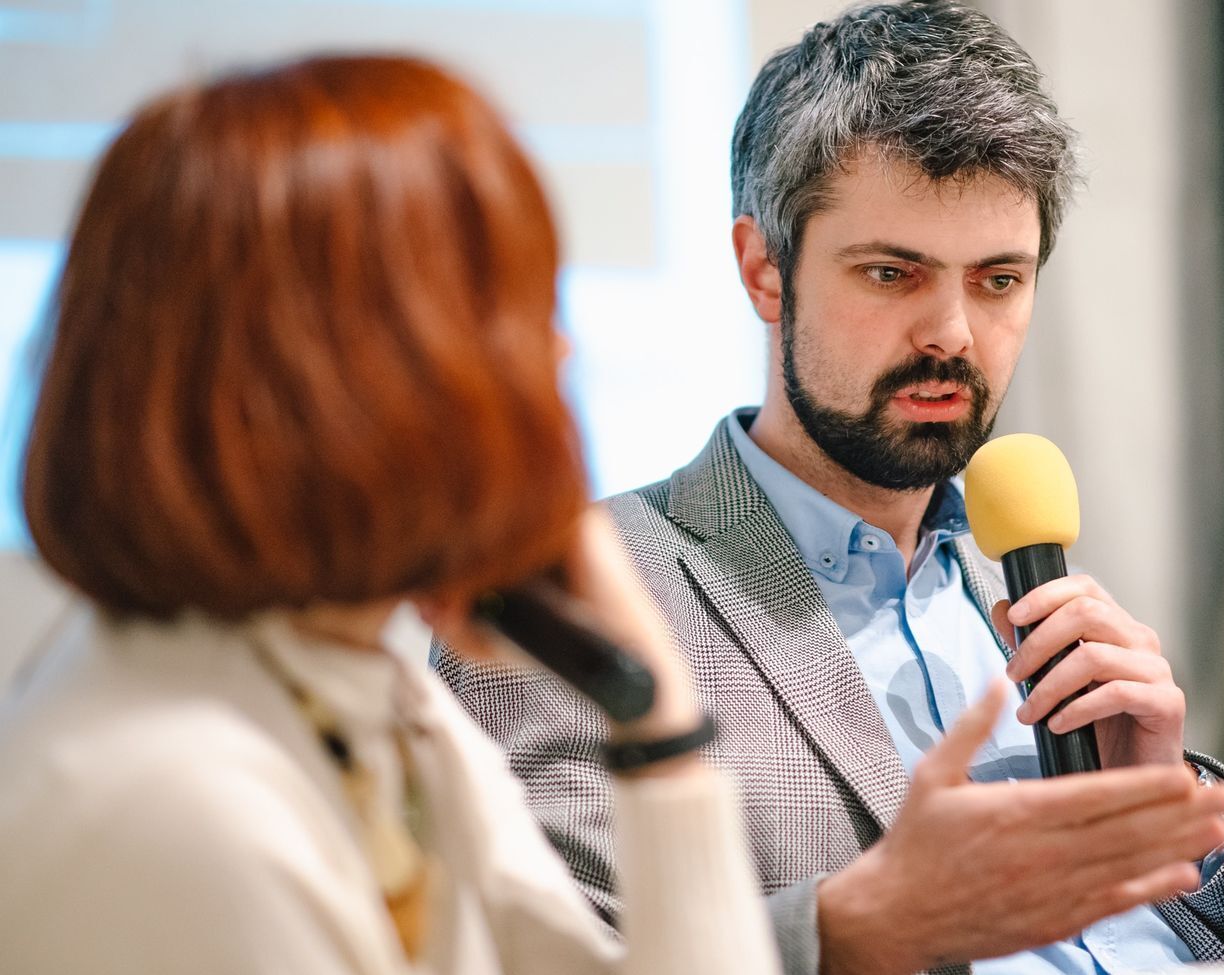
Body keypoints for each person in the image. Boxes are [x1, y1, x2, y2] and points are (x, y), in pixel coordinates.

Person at [436, 3, 1224, 975]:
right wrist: (859, 924)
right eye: (893, 273)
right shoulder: (581, 594)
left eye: (999, 280)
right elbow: (554, 959)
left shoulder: (1027, 579)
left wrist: (1184, 817)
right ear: (764, 271)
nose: (953, 334)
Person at [0, 55, 782, 975]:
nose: (557, 351)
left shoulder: (369, 688)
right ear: (335, 385)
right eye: (513, 312)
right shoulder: (177, 803)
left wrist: (657, 718)